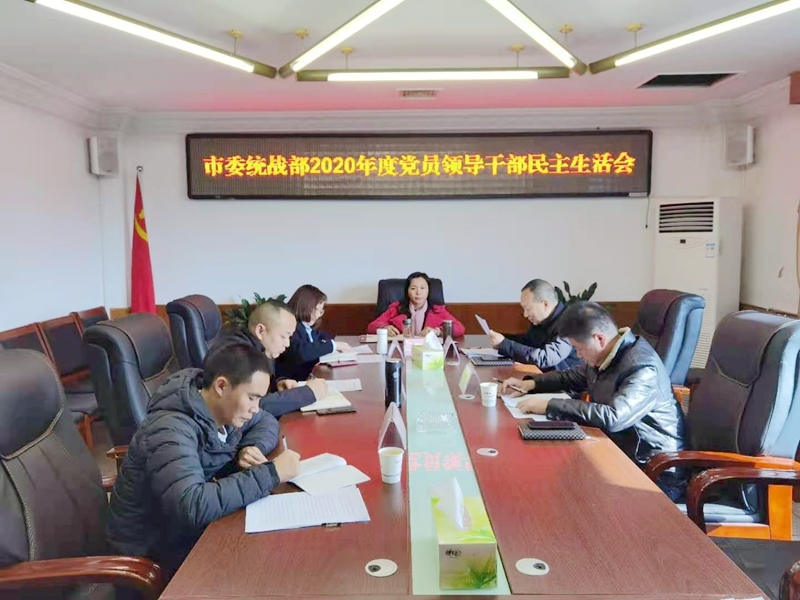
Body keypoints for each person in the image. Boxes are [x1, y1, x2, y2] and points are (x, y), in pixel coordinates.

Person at [107, 342, 301, 575]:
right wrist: (271, 473)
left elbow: (266, 421)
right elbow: (192, 505)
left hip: (185, 531)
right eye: (252, 398)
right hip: (153, 552)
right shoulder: (170, 430)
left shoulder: (223, 410)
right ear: (221, 386)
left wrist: (250, 447)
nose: (256, 408)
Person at [501, 301, 685, 499]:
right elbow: (571, 377)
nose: (578, 355)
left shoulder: (642, 368)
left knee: (562, 492)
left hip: (652, 470)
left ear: (599, 339)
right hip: (615, 451)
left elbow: (614, 417)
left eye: (579, 349)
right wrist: (531, 384)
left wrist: (549, 405)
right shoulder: (607, 355)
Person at [214, 300, 328, 417]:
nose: (287, 344)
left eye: (289, 337)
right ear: (260, 331)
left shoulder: (261, 347)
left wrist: (277, 384)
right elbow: (253, 407)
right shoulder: (238, 355)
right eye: (283, 336)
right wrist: (308, 393)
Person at [488, 279, 580, 371]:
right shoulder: (541, 320)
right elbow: (527, 342)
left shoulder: (570, 322)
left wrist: (503, 344)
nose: (525, 315)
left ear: (545, 304)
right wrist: (502, 339)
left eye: (528, 309)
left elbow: (545, 358)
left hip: (564, 378)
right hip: (542, 375)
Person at [277, 284, 351, 381]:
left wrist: (332, 343)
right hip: (292, 381)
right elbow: (302, 352)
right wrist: (333, 345)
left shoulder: (306, 327)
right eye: (317, 310)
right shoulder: (292, 328)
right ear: (305, 307)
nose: (318, 315)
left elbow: (321, 335)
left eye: (321, 311)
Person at [367, 272, 465, 337]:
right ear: (407, 291)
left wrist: (438, 331)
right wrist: (384, 328)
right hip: (401, 352)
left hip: (428, 353)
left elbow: (460, 328)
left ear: (428, 291)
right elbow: (371, 326)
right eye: (413, 288)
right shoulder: (396, 308)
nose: (418, 292)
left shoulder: (437, 310)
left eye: (422, 288)